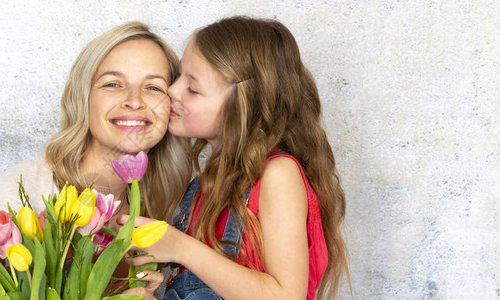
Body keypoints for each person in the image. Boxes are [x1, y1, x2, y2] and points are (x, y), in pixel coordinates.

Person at [0, 22, 192, 299]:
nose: (134, 100)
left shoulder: (172, 209)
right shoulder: (25, 190)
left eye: (153, 87)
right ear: (83, 98)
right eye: (113, 84)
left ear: (172, 105)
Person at [120, 16, 351, 299]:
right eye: (179, 76)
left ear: (242, 106)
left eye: (192, 88)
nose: (172, 90)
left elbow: (285, 295)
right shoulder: (203, 186)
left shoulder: (277, 175)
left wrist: (180, 246)